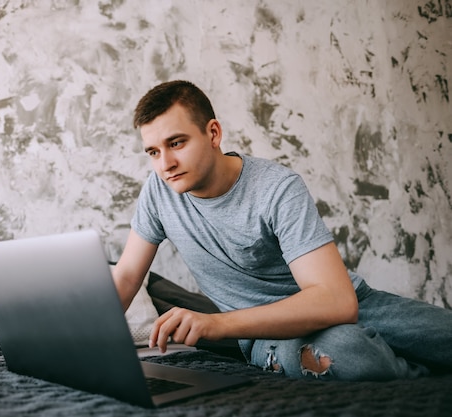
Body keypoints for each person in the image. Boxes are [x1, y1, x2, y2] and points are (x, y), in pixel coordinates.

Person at [112, 80, 452, 381]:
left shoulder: (276, 187)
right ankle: (420, 375)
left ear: (213, 133)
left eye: (177, 143)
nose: (165, 164)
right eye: (153, 152)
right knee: (350, 353)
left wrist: (215, 324)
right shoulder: (158, 192)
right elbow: (127, 277)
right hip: (267, 334)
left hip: (361, 305)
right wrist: (76, 342)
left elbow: (337, 301)